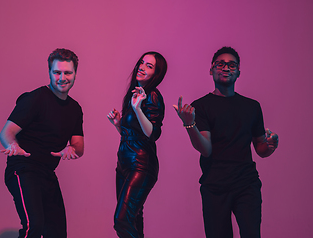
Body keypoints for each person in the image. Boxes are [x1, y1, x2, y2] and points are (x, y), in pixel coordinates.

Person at [174, 47, 279, 238]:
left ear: (238, 72)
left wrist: (272, 143)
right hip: (214, 185)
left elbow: (261, 149)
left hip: (246, 184)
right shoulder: (201, 106)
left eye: (232, 65)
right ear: (211, 69)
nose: (226, 68)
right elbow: (206, 150)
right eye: (220, 64)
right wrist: (190, 125)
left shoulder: (252, 106)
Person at [0, 48, 84, 238]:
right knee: (34, 226)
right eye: (57, 72)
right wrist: (12, 145)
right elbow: (6, 133)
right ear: (50, 73)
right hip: (23, 168)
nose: (62, 77)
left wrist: (72, 148)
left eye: (67, 72)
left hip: (47, 173)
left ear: (75, 74)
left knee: (57, 233)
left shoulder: (75, 109)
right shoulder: (35, 98)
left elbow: (79, 147)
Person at [107, 51, 167, 238]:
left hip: (141, 164)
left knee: (122, 220)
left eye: (149, 66)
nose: (141, 67)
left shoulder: (153, 96)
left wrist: (137, 108)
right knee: (133, 220)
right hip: (123, 164)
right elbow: (133, 134)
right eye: (142, 63)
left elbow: (152, 133)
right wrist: (119, 124)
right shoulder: (133, 94)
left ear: (155, 74)